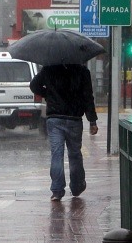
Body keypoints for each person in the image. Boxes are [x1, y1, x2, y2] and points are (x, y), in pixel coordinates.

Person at [30, 64, 98, 202]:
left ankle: (57, 190)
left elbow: (34, 85)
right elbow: (88, 97)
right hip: (74, 118)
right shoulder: (82, 71)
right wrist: (92, 121)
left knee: (57, 153)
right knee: (75, 154)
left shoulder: (49, 68)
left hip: (54, 118)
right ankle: (77, 186)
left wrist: (48, 94)